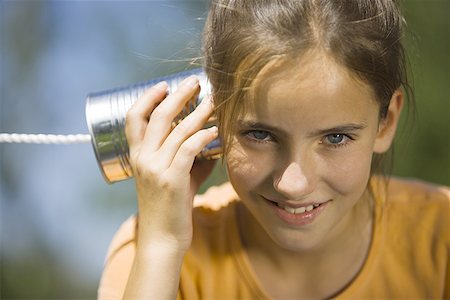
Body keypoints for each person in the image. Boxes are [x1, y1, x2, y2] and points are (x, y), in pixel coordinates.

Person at [98, 0, 450, 299]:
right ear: (211, 118)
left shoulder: (440, 237)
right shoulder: (152, 251)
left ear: (385, 122)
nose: (293, 184)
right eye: (260, 134)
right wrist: (162, 246)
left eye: (336, 138)